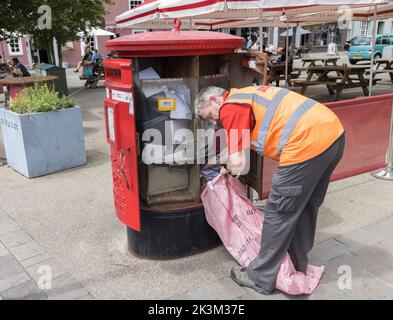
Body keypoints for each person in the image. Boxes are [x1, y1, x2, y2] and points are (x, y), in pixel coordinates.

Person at [195, 85, 345, 295]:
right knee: (305, 206)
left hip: (305, 144)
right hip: (333, 135)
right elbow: (241, 140)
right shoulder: (246, 95)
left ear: (214, 99)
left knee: (278, 212)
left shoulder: (230, 107)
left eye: (210, 116)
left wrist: (225, 169)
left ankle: (260, 276)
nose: (214, 121)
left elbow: (238, 164)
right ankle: (296, 262)